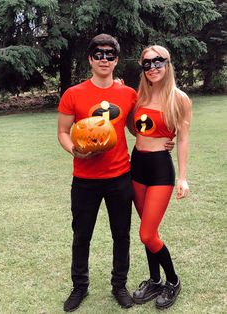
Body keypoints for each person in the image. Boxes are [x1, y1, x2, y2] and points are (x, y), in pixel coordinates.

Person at [57, 34, 174, 312]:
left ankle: (119, 286)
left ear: (117, 60)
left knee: (121, 234)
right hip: (84, 179)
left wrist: (165, 138)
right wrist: (75, 149)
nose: (104, 59)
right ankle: (80, 287)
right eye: (98, 54)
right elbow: (62, 132)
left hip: (120, 176)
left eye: (110, 55)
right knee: (81, 234)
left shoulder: (128, 94)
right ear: (90, 59)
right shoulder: (73, 94)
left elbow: (140, 126)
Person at [129, 45, 192, 310]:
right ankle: (155, 280)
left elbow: (184, 139)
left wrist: (183, 178)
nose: (153, 67)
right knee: (149, 231)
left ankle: (173, 281)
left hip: (160, 172)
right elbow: (137, 130)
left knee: (146, 233)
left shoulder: (179, 99)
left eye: (158, 62)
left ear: (168, 64)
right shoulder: (140, 95)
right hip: (137, 166)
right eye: (147, 63)